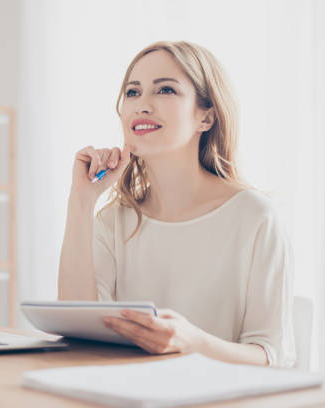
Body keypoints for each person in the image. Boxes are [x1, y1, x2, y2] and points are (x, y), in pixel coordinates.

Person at [57, 40, 295, 368]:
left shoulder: (256, 217)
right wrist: (82, 202)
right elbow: (78, 334)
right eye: (132, 92)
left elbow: (273, 356)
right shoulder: (112, 222)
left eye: (165, 90)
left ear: (206, 118)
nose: (142, 105)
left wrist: (193, 343)